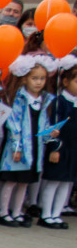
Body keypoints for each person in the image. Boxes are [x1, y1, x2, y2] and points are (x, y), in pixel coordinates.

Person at [0, 55, 55, 227]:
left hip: (34, 147)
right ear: (25, 79)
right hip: (18, 147)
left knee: (24, 182)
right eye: (34, 78)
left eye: (42, 78)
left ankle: (17, 211)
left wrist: (50, 135)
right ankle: (3, 211)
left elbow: (44, 124)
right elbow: (13, 123)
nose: (38, 82)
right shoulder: (19, 99)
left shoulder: (44, 100)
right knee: (12, 179)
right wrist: (16, 146)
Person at [39, 58, 77, 229]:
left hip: (73, 150)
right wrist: (55, 147)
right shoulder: (58, 102)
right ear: (66, 81)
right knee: (53, 182)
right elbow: (52, 127)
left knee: (66, 183)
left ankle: (57, 214)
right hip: (60, 149)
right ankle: (46, 214)